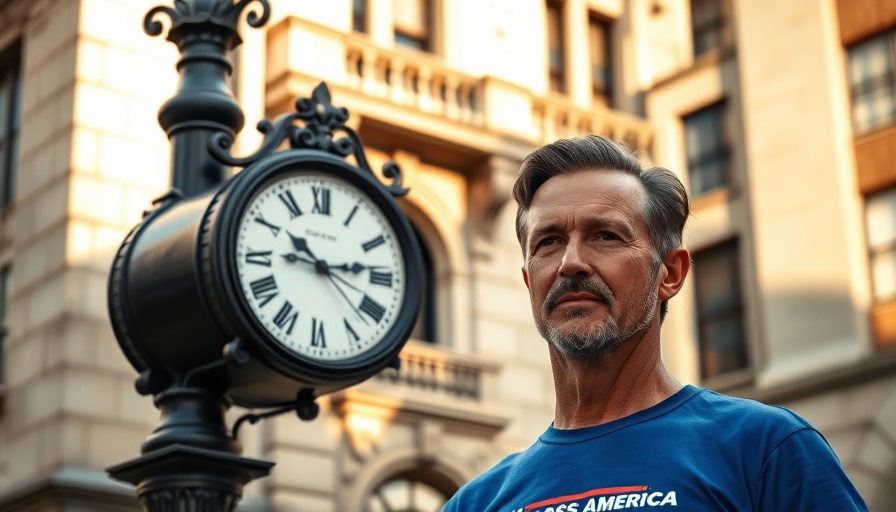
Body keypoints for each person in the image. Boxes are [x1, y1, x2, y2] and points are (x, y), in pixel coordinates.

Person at [442, 135, 867, 511]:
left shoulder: (766, 450)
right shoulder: (476, 502)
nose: (571, 263)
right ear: (528, 280)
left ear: (670, 274)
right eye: (549, 242)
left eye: (606, 236)